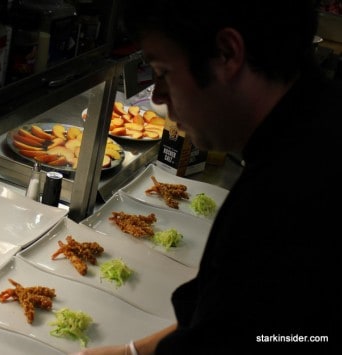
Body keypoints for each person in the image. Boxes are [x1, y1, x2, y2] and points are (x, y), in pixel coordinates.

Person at [72, 0, 339, 354]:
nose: (158, 96)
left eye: (163, 71)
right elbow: (232, 319)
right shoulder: (314, 121)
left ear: (227, 53)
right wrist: (133, 352)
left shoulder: (290, 195)